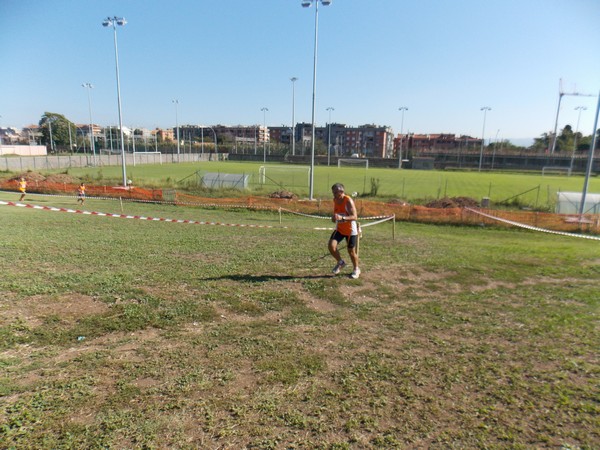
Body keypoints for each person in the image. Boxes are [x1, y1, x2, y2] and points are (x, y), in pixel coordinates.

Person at [329, 182, 361, 279]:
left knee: (351, 252)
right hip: (340, 229)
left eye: (336, 193)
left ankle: (356, 269)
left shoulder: (348, 201)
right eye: (333, 192)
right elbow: (336, 214)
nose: (334, 195)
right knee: (331, 246)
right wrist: (334, 218)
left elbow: (355, 216)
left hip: (351, 230)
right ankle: (340, 262)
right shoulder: (335, 200)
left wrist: (342, 218)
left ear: (341, 191)